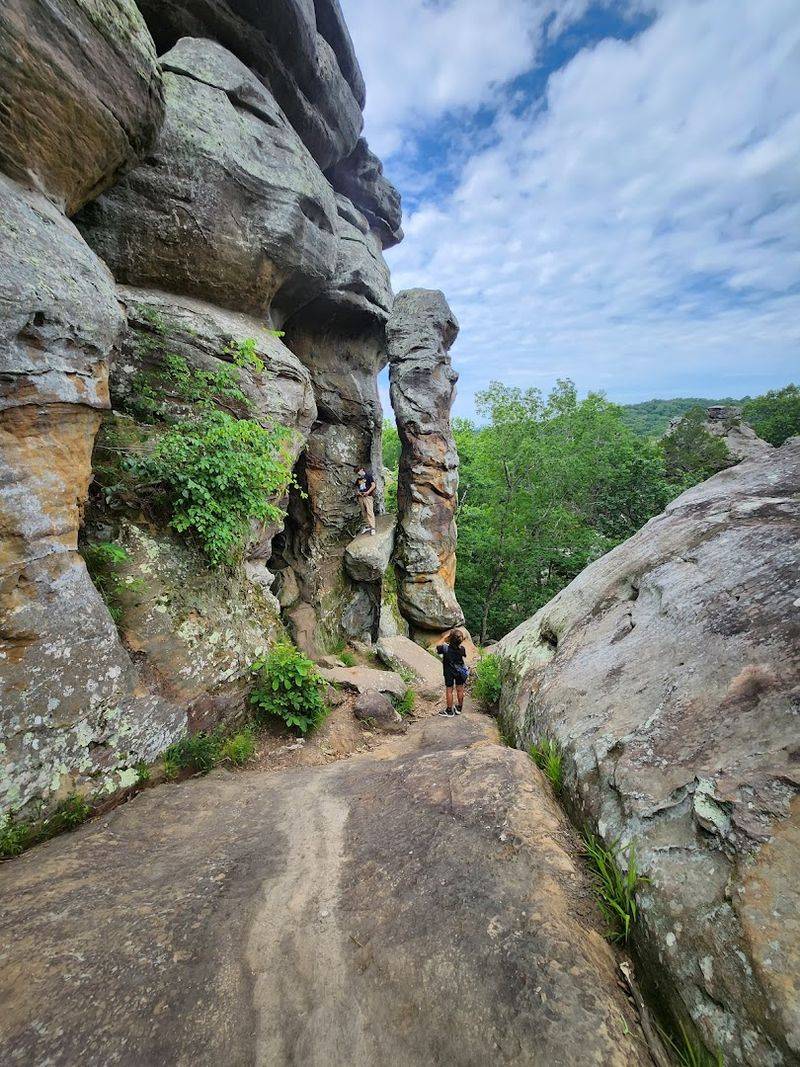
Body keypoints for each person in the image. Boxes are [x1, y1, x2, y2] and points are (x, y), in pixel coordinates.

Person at [436, 629, 468, 716]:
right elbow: (463, 655)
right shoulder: (462, 649)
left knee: (449, 690)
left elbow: (438, 646)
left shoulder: (445, 648)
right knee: (460, 689)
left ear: (450, 638)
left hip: (449, 672)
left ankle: (449, 711)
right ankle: (459, 708)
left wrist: (444, 638)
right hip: (459, 672)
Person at [355, 466, 376, 535]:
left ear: (362, 469)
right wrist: (358, 492)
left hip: (368, 497)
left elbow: (373, 485)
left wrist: (368, 492)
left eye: (358, 471)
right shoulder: (358, 479)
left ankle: (373, 528)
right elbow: (357, 488)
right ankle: (368, 526)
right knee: (364, 512)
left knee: (370, 511)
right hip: (361, 497)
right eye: (357, 472)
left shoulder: (368, 476)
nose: (358, 473)